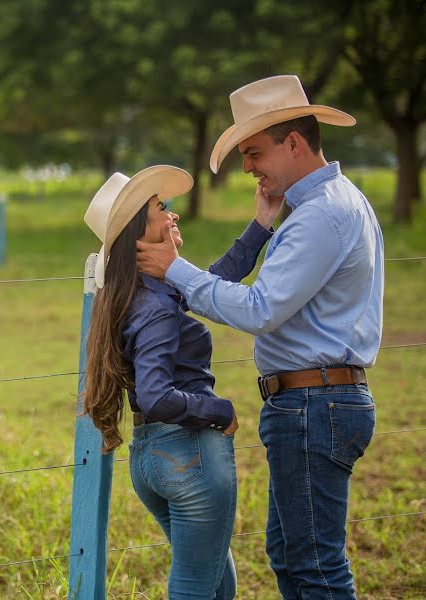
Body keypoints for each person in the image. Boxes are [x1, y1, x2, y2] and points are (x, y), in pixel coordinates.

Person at [136, 75, 384, 599]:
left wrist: (175, 270)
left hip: (315, 403)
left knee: (314, 565)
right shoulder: (334, 204)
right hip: (314, 401)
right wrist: (259, 228)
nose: (247, 167)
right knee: (294, 558)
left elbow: (259, 307)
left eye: (253, 153)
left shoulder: (321, 215)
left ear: (293, 142)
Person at [82, 165, 276, 599]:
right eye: (161, 209)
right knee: (195, 586)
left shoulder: (146, 294)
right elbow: (155, 395)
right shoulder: (158, 309)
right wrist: (219, 410)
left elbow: (213, 280)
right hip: (188, 456)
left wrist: (261, 224)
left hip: (151, 458)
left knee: (218, 583)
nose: (174, 216)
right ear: (139, 235)